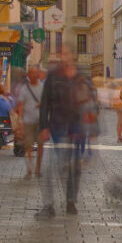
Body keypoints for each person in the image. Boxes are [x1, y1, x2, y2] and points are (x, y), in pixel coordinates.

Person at [36, 46, 86, 217]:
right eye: (62, 53)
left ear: (73, 56)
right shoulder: (53, 76)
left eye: (67, 53)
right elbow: (45, 103)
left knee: (74, 168)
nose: (64, 56)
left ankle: (70, 202)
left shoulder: (80, 77)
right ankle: (48, 205)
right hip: (57, 127)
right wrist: (43, 126)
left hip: (76, 128)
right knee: (50, 167)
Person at [15, 64, 44, 178]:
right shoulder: (24, 88)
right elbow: (20, 105)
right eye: (31, 73)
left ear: (38, 74)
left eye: (36, 73)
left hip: (40, 121)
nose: (34, 75)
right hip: (28, 121)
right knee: (28, 146)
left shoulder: (42, 87)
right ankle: (29, 169)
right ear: (28, 75)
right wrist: (20, 120)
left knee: (41, 145)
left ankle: (38, 168)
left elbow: (48, 103)